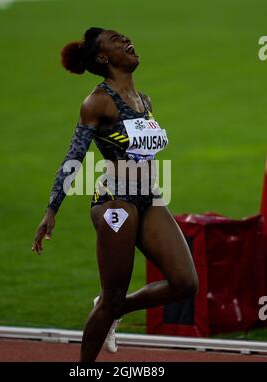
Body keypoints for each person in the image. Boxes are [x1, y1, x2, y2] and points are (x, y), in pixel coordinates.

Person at [32, 27, 199, 362]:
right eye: (115, 39)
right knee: (112, 297)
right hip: (115, 201)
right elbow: (74, 155)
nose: (126, 39)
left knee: (185, 283)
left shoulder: (144, 100)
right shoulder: (98, 101)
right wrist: (52, 208)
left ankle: (117, 308)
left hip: (148, 197)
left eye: (125, 36)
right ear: (104, 57)